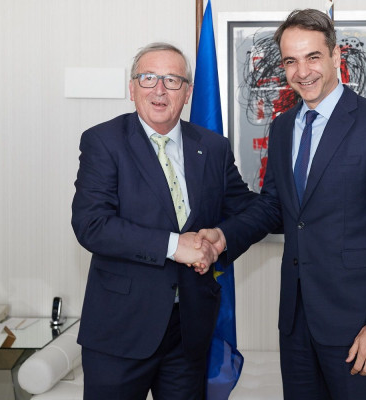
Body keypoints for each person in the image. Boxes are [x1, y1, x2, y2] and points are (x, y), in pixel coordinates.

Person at [197, 9, 366, 400]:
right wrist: (223, 237)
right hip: (296, 323)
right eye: (290, 61)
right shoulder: (283, 126)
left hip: (358, 325)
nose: (302, 72)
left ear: (335, 56)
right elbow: (275, 208)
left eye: (312, 57)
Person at [71, 42, 255, 400]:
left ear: (187, 92)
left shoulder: (213, 147)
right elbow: (92, 224)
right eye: (148, 78)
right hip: (120, 331)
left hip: (188, 331)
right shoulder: (103, 141)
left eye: (172, 80)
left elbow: (249, 210)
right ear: (132, 88)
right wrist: (174, 246)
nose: (159, 89)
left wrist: (221, 236)